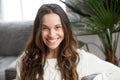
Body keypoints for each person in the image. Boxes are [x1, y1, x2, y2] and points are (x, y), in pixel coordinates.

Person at [16, 4, 120, 80]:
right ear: (38, 31)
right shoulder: (25, 60)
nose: (52, 34)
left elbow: (117, 73)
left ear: (65, 29)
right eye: (45, 28)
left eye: (57, 27)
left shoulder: (81, 59)